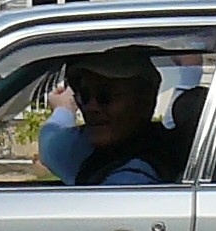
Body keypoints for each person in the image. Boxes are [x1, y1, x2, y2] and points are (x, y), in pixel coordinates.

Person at [36, 47, 186, 187]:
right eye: (84, 96)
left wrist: (63, 109)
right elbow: (51, 146)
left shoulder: (133, 179)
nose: (91, 107)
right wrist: (63, 109)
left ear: (144, 100)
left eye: (105, 96)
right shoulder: (102, 145)